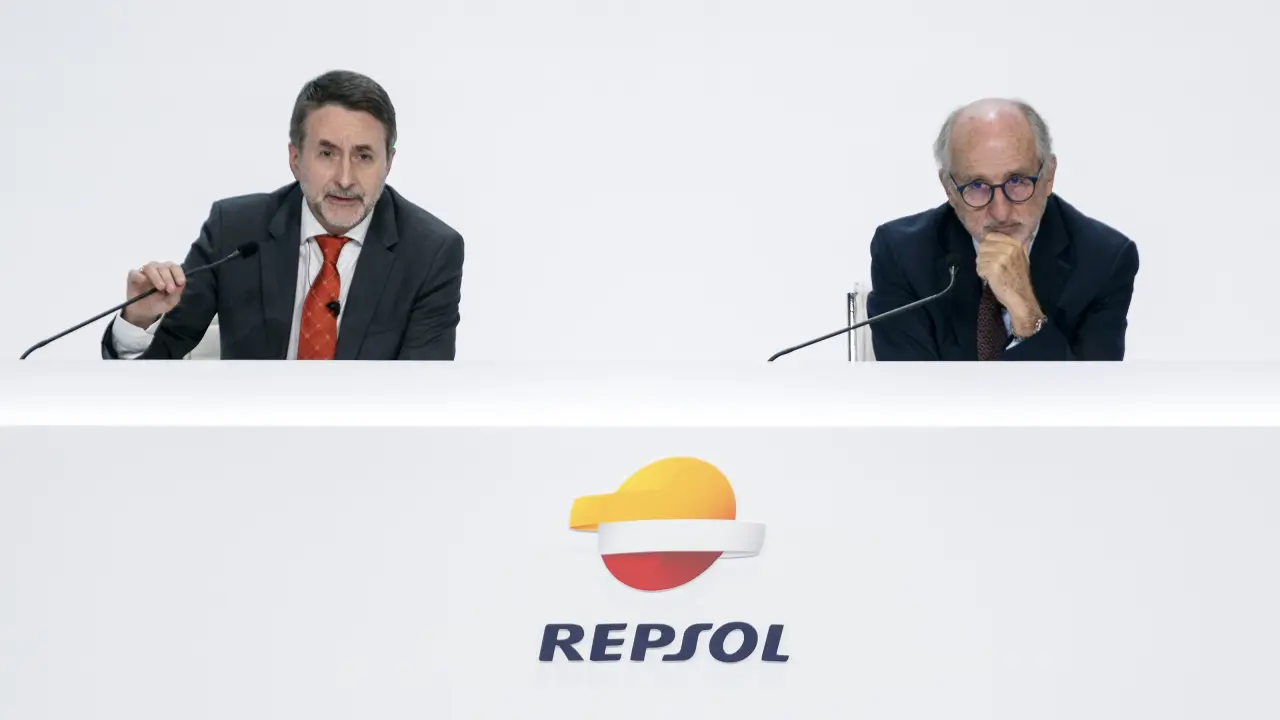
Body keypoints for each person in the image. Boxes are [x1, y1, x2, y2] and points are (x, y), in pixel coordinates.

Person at [102, 70, 464, 360]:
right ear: (295, 159)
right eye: (327, 153)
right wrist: (140, 318)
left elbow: (421, 396)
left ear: (389, 163)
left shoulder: (430, 253)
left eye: (363, 156)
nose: (345, 179)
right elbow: (150, 372)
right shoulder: (235, 231)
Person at [865, 98, 1138, 361]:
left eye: (1017, 181)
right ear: (949, 189)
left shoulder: (1104, 261)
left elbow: (1089, 390)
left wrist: (1027, 315)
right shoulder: (902, 255)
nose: (1000, 212)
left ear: (1049, 176)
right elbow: (909, 388)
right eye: (977, 185)